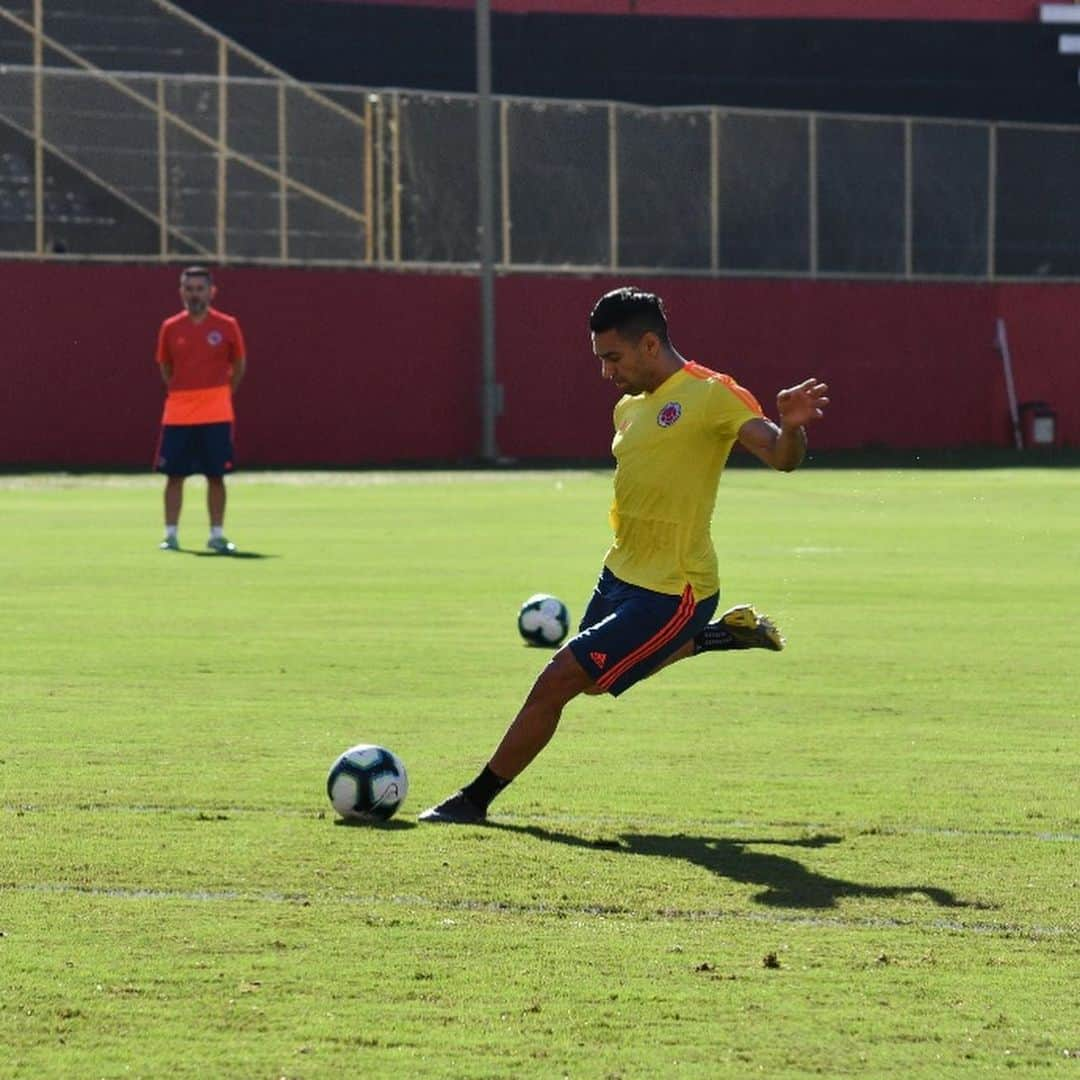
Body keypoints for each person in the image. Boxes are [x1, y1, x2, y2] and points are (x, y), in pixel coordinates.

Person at [419, 286, 829, 824]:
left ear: (651, 344)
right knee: (588, 683)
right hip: (618, 573)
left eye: (613, 358)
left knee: (557, 680)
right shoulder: (627, 409)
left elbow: (780, 455)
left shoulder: (712, 394)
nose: (606, 373)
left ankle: (474, 800)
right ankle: (721, 636)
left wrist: (793, 427)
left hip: (675, 588)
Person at [154, 266, 247, 554]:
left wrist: (221, 392)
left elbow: (239, 365)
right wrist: (183, 390)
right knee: (174, 476)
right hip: (179, 413)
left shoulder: (227, 325)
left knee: (216, 476)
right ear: (181, 292)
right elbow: (165, 367)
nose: (195, 295)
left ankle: (217, 535)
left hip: (216, 413)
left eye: (200, 289)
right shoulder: (170, 327)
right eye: (189, 289)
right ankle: (171, 535)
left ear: (211, 292)